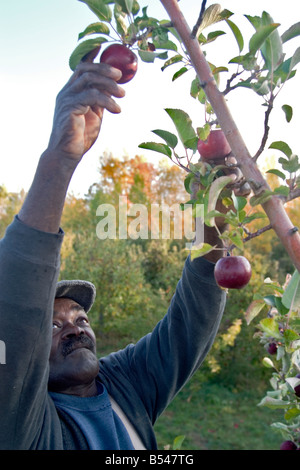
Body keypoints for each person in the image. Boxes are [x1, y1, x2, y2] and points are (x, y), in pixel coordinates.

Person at [0, 58, 229, 450]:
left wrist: (211, 204)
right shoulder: (22, 424)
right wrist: (60, 159)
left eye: (80, 317)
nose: (75, 328)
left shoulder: (124, 384)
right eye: (53, 327)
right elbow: (17, 302)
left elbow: (193, 317)